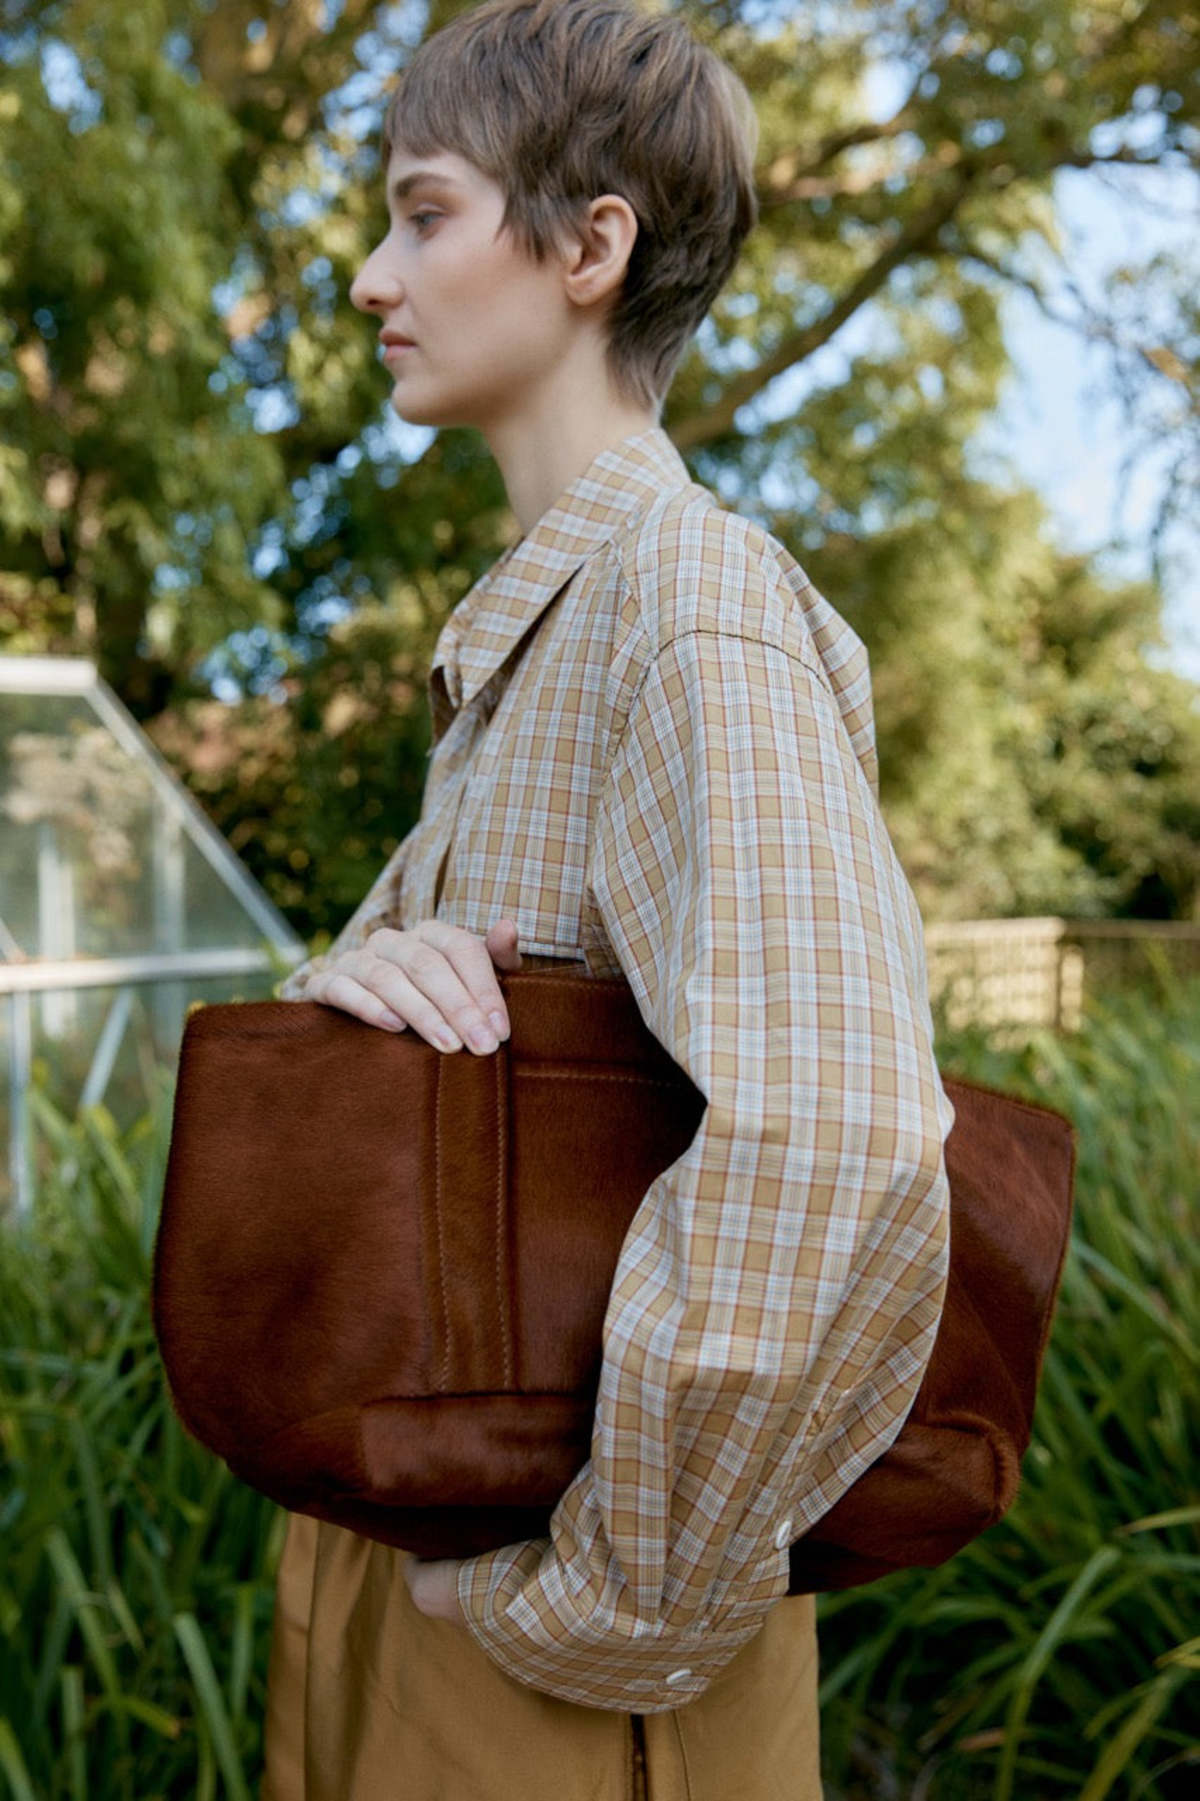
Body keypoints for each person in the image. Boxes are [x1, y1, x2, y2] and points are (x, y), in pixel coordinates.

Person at [261, 2, 955, 1796]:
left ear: (589, 246)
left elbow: (837, 1129)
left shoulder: (690, 608)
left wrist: (608, 1601)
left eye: (422, 213)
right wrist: (359, 987)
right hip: (429, 1584)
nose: (367, 275)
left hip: (570, 1668)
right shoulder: (529, 646)